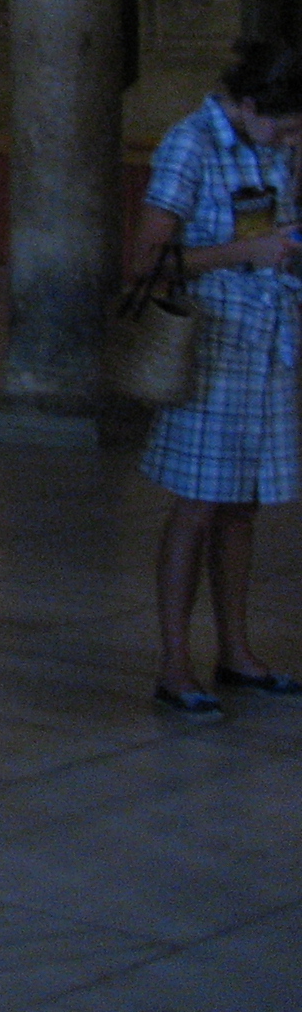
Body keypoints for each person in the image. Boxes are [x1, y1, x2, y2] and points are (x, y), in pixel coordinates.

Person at [132, 39, 302, 721]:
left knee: (242, 506)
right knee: (197, 506)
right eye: (284, 128)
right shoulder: (191, 144)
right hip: (210, 347)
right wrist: (245, 250)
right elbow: (149, 260)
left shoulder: (271, 145)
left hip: (267, 342)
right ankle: (175, 665)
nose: (291, 141)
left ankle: (236, 651)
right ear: (250, 104)